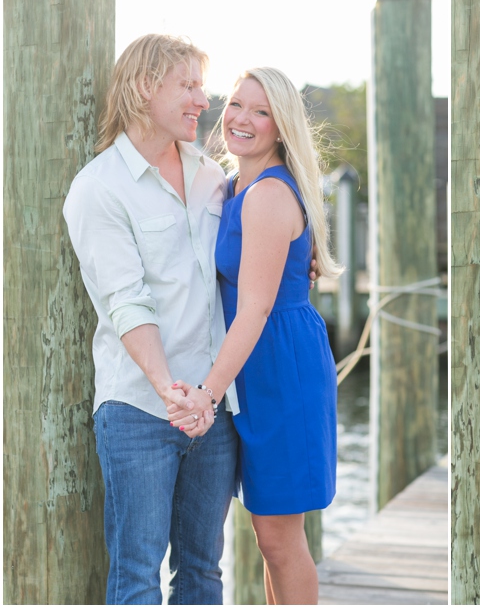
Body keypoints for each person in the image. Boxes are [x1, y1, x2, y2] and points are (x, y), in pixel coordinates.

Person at [63, 34, 241, 604]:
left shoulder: (214, 175)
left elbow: (243, 256)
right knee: (136, 575)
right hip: (141, 408)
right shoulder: (99, 189)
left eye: (200, 85)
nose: (203, 99)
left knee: (203, 571)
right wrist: (171, 393)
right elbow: (126, 301)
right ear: (144, 87)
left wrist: (303, 257)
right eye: (187, 85)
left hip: (213, 409)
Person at [167, 67, 341, 605]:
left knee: (279, 537)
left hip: (280, 367)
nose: (242, 118)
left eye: (260, 111)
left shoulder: (266, 194)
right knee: (267, 536)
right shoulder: (231, 184)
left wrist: (207, 392)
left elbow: (257, 308)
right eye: (237, 104)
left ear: (282, 127)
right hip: (254, 364)